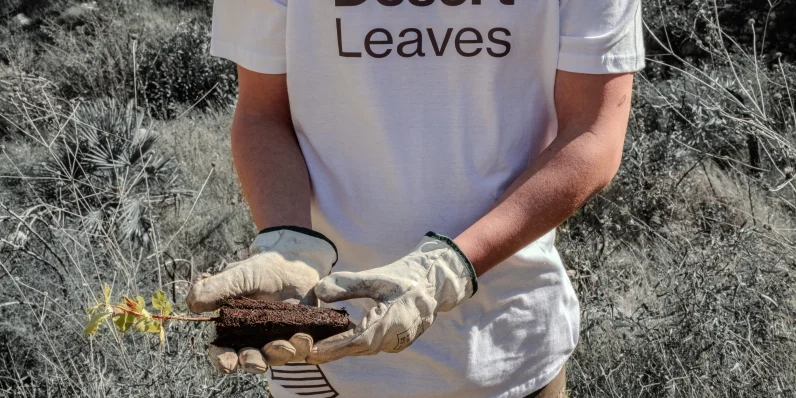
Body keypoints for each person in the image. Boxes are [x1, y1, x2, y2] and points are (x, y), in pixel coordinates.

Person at [186, 1, 645, 397]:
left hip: (509, 356)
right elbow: (263, 114)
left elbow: (594, 131)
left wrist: (446, 271)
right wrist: (289, 244)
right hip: (317, 359)